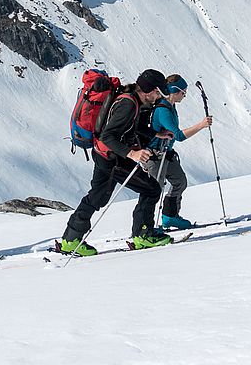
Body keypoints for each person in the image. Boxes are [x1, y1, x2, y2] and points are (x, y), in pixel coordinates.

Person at [57, 69, 175, 255]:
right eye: (158, 92)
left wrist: (156, 134)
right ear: (148, 90)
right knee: (151, 189)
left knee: (97, 197)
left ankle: (70, 239)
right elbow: (108, 136)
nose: (159, 97)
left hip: (104, 155)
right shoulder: (128, 104)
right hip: (114, 159)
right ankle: (143, 235)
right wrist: (132, 154)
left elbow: (132, 127)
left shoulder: (130, 98)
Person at [145, 74, 212, 229]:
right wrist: (201, 125)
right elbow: (179, 135)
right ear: (174, 91)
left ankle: (170, 216)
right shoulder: (164, 110)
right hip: (154, 156)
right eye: (183, 92)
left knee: (179, 181)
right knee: (154, 191)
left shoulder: (170, 107)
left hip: (166, 153)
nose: (184, 95)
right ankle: (145, 226)